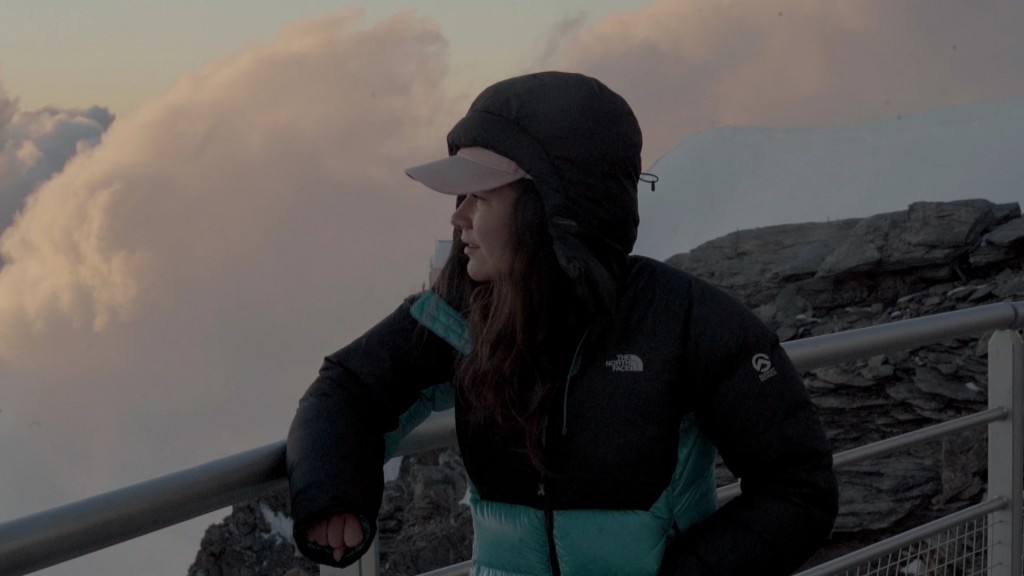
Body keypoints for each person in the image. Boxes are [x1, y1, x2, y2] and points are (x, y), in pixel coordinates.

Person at [287, 71, 838, 575]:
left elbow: (799, 486)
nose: (457, 218)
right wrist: (334, 494)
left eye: (478, 196)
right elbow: (351, 386)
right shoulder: (462, 315)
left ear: (548, 209)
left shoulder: (683, 322)